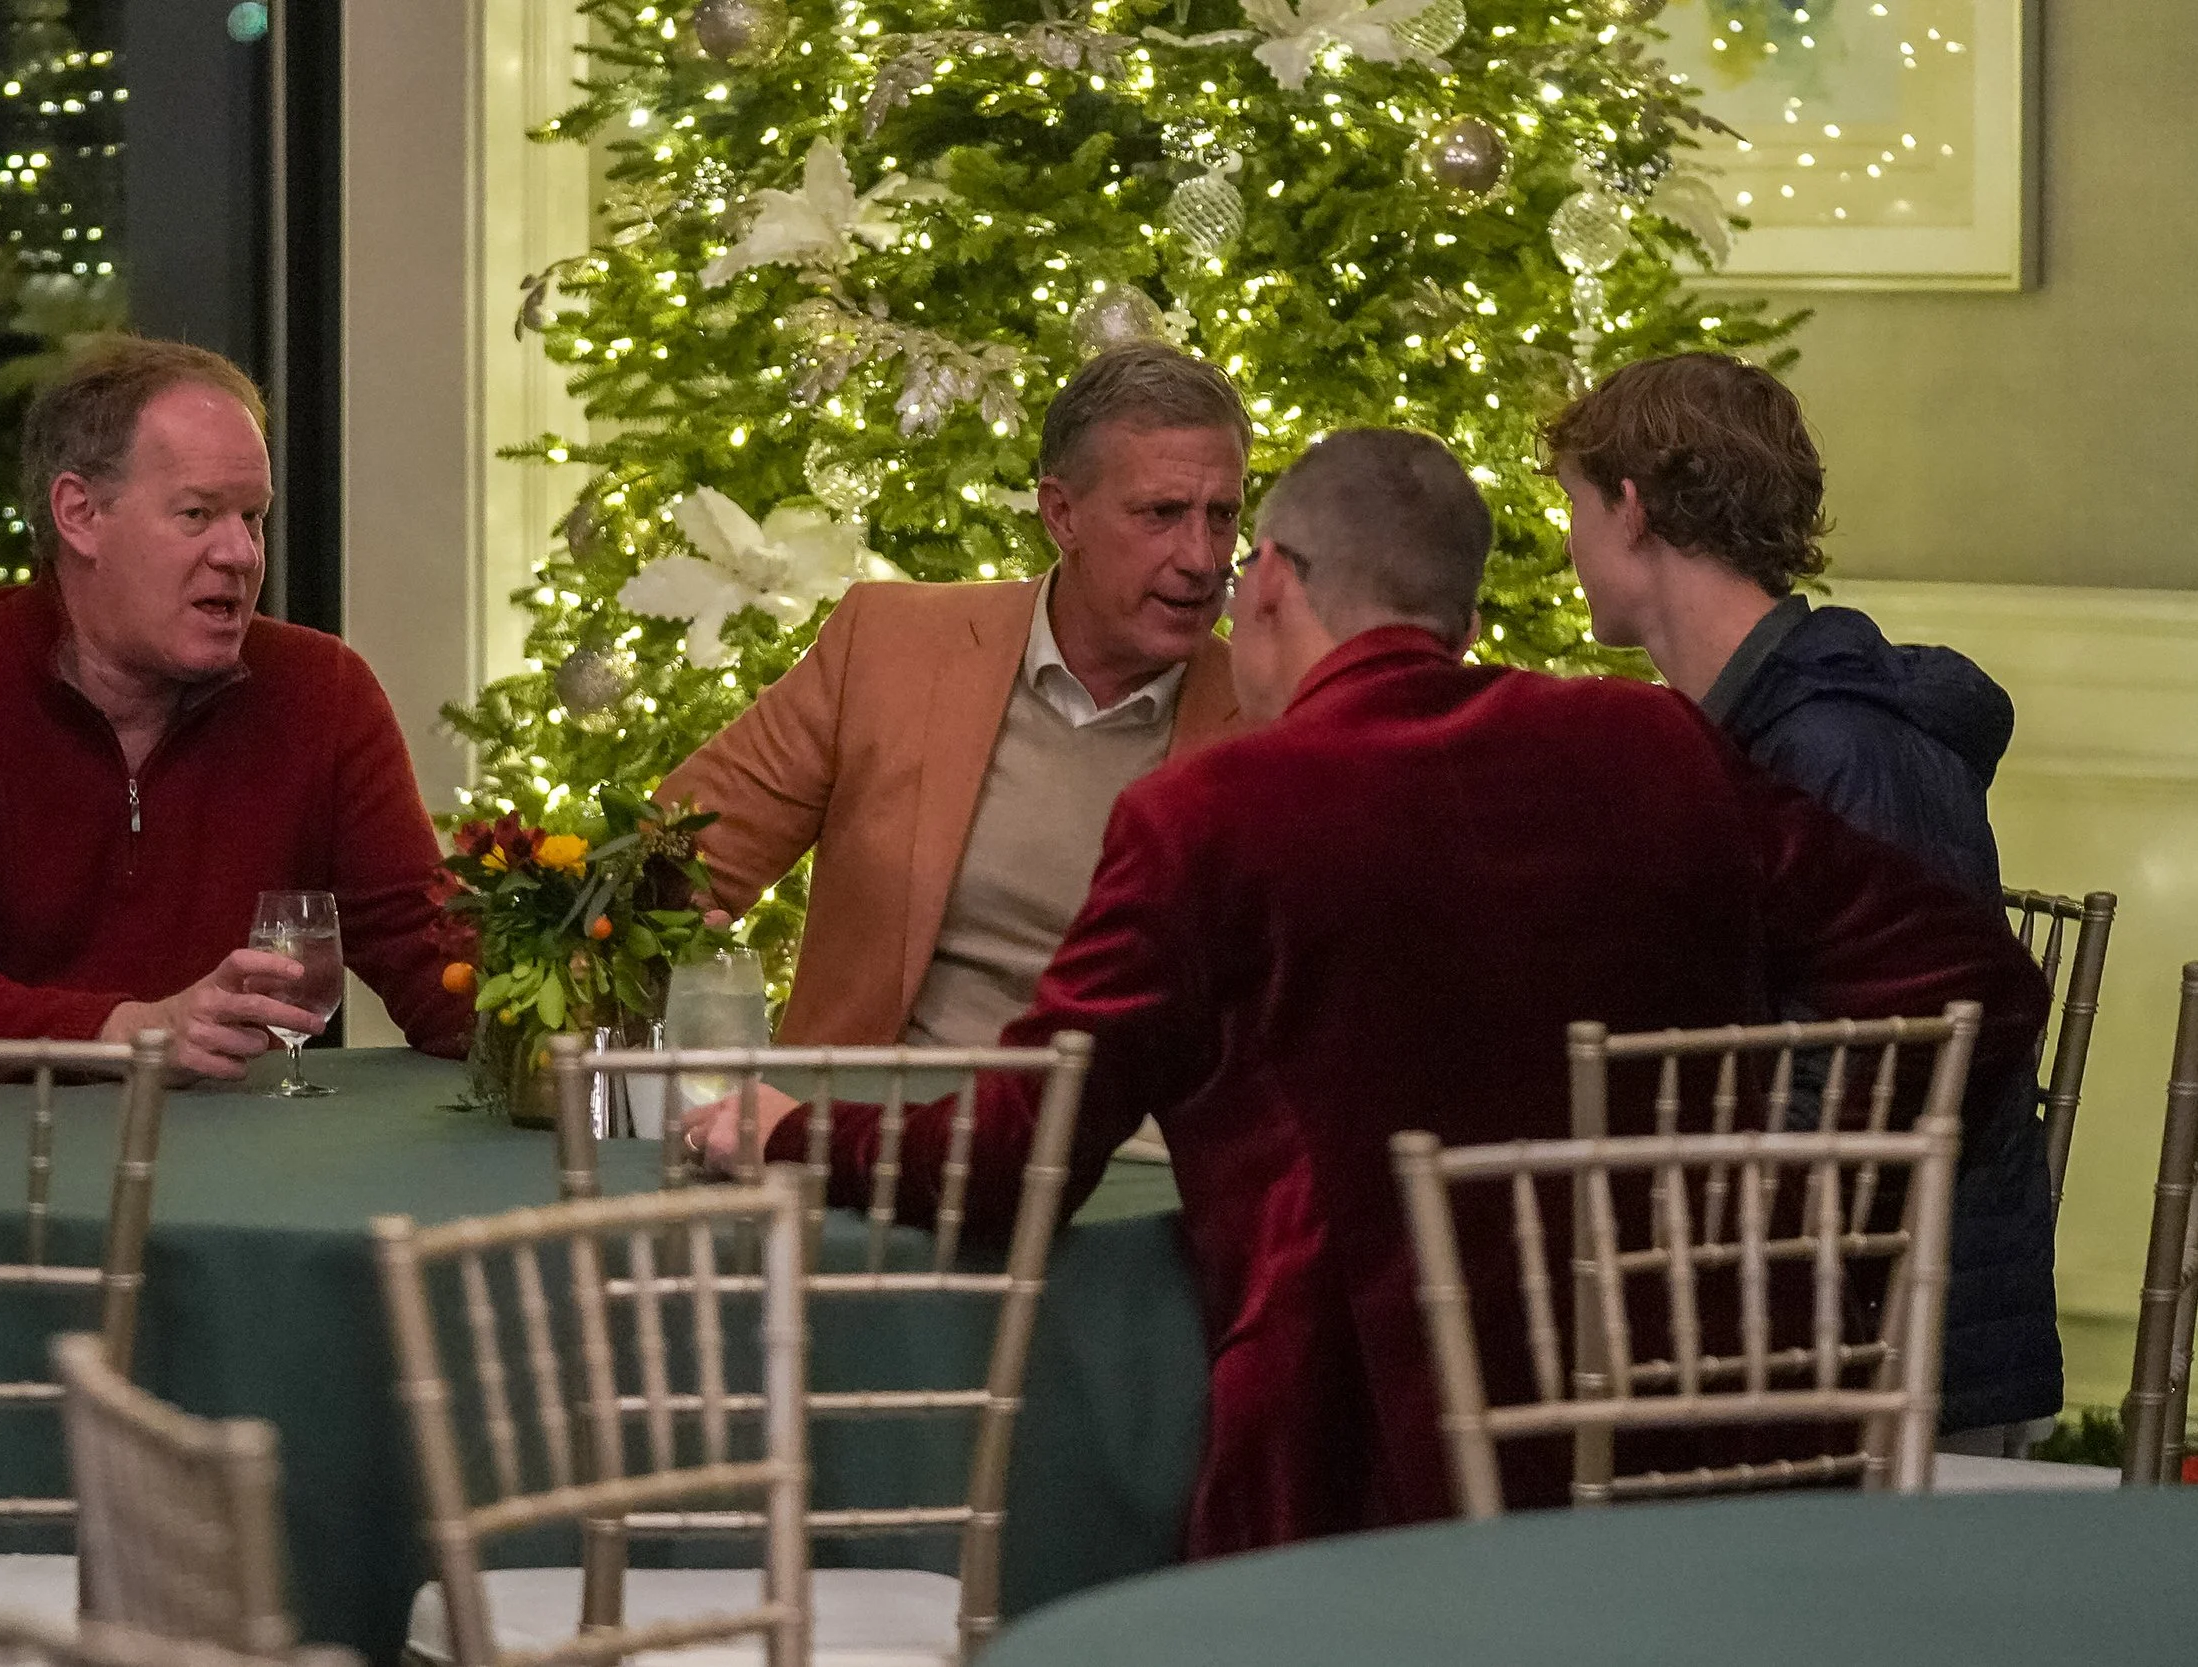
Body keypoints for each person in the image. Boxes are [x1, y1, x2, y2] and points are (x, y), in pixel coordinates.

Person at [684, 428, 2047, 1548]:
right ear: (1458, 603)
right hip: (1699, 1419)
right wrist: (1787, 1206)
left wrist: (787, 1129)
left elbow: (1013, 1152)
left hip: (1365, 1458)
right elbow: (1969, 980)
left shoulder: (1217, 812)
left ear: (1271, 578)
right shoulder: (1651, 742)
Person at [1544, 351, 2058, 1446]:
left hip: (1893, 1356)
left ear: (1631, 507)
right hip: (1824, 1314)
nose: (1569, 544)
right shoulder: (1770, 726)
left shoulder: (1832, 741)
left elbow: (1882, 1083)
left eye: (1576, 508)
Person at [0, 336, 472, 1077]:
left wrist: (591, 976)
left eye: (253, 517)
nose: (241, 553)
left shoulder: (322, 692)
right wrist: (128, 1031)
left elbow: (434, 963)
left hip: (216, 1166)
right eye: (198, 514)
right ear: (80, 513)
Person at [660, 342, 1245, 1048]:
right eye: (1162, 513)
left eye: (1221, 516)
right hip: (879, 1134)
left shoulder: (1277, 722)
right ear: (1061, 514)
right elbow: (668, 864)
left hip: (1146, 1152)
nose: (1201, 558)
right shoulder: (890, 648)